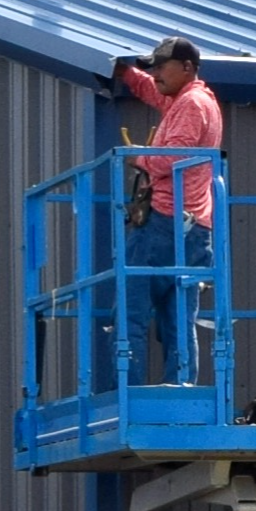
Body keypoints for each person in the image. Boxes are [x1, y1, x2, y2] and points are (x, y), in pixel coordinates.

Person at [108, 35, 224, 386]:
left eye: (162, 66)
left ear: (187, 68)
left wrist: (136, 158)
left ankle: (128, 398)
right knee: (178, 320)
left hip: (164, 222)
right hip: (195, 227)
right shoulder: (190, 99)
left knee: (130, 314)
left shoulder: (190, 105)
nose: (156, 73)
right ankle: (182, 396)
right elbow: (152, 91)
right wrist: (127, 73)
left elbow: (173, 158)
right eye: (153, 67)